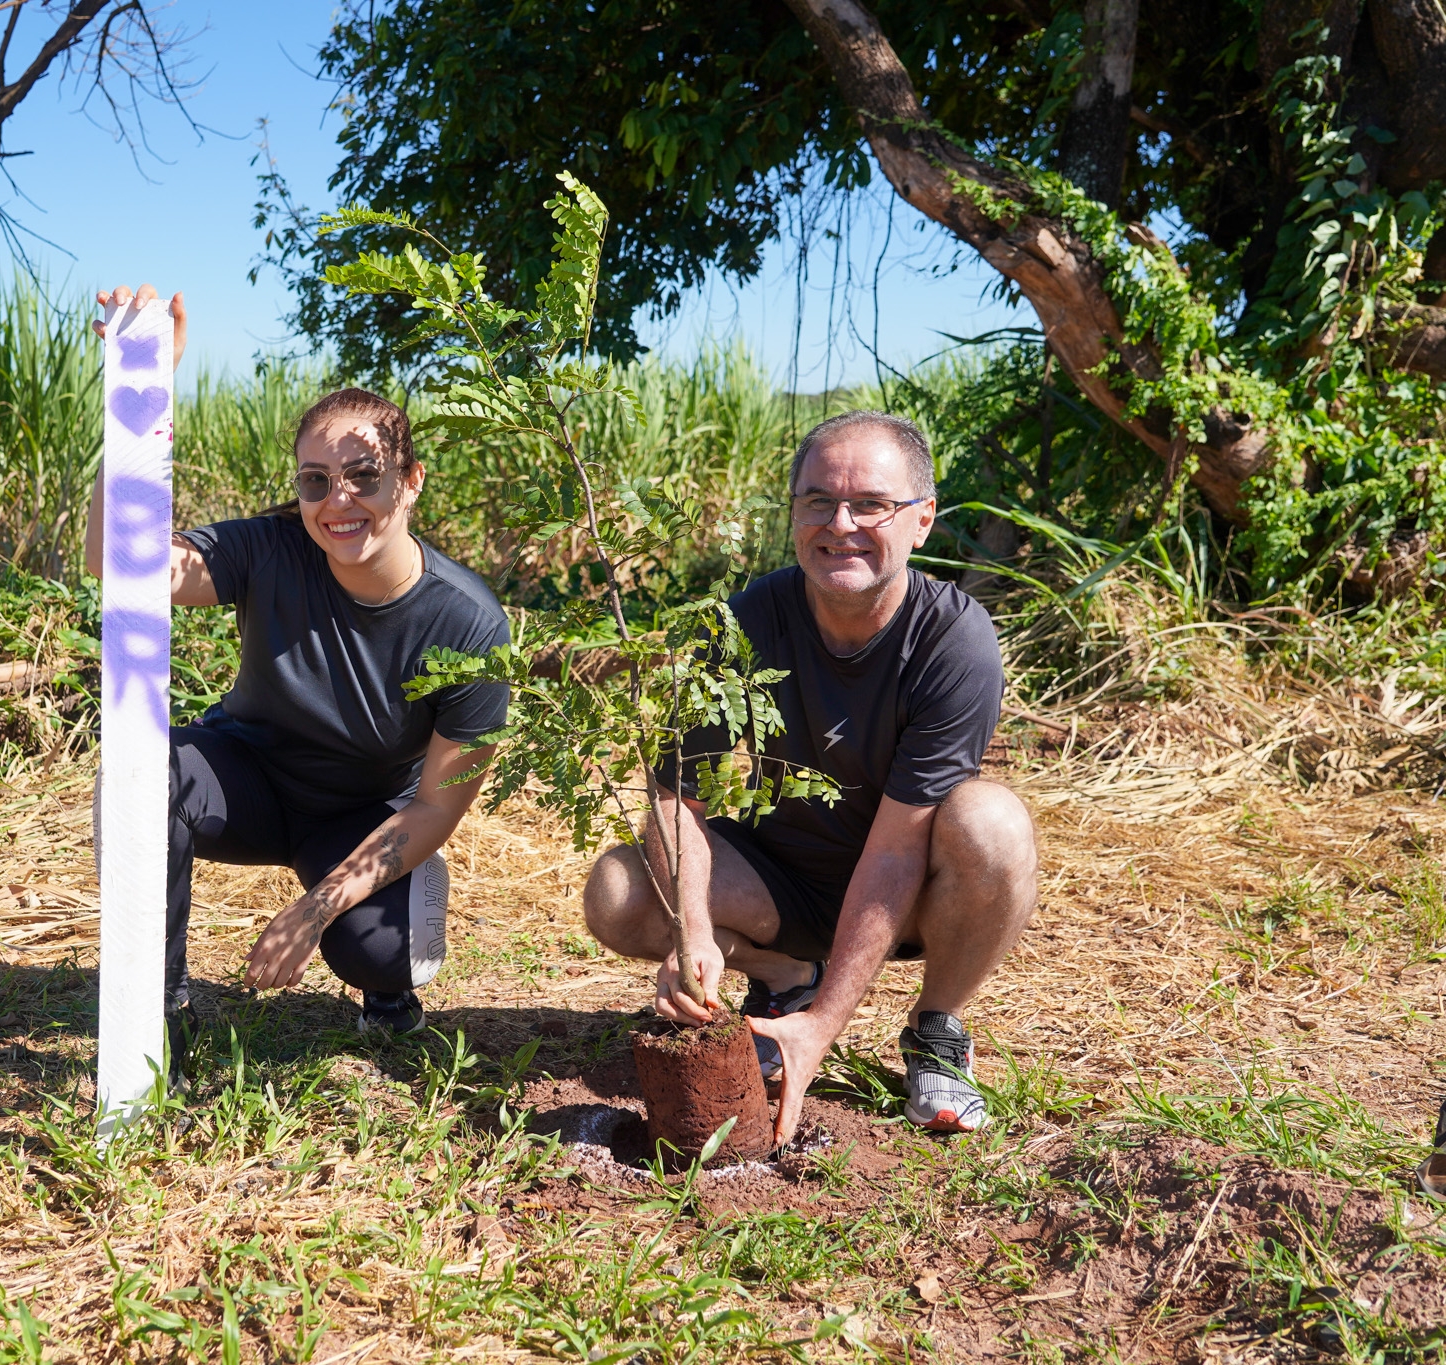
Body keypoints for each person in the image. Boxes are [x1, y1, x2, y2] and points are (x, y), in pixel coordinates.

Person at [580, 410, 1039, 1143]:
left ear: (922, 520)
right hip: (781, 882)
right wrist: (694, 932)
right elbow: (676, 798)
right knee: (618, 890)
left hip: (909, 895)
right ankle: (786, 975)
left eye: (871, 505)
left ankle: (936, 1029)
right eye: (819, 500)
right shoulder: (743, 622)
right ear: (792, 513)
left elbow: (896, 852)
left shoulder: (953, 642)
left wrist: (825, 1029)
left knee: (994, 824)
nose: (841, 524)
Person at [84, 285, 507, 1052]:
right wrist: (138, 401)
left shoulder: (469, 625)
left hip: (363, 812)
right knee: (143, 775)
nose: (338, 500)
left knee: (379, 948)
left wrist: (314, 910)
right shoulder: (272, 549)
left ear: (410, 479)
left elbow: (436, 808)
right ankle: (161, 1011)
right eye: (316, 479)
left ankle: (393, 966)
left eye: (364, 474)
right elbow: (119, 563)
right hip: (248, 779)